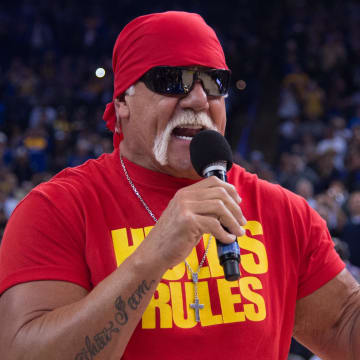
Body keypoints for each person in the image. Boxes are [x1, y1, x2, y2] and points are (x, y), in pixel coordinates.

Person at [0, 11, 359, 360]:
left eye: (214, 82)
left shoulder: (282, 212)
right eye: (172, 80)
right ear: (123, 100)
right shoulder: (57, 209)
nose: (198, 99)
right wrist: (153, 255)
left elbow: (343, 327)